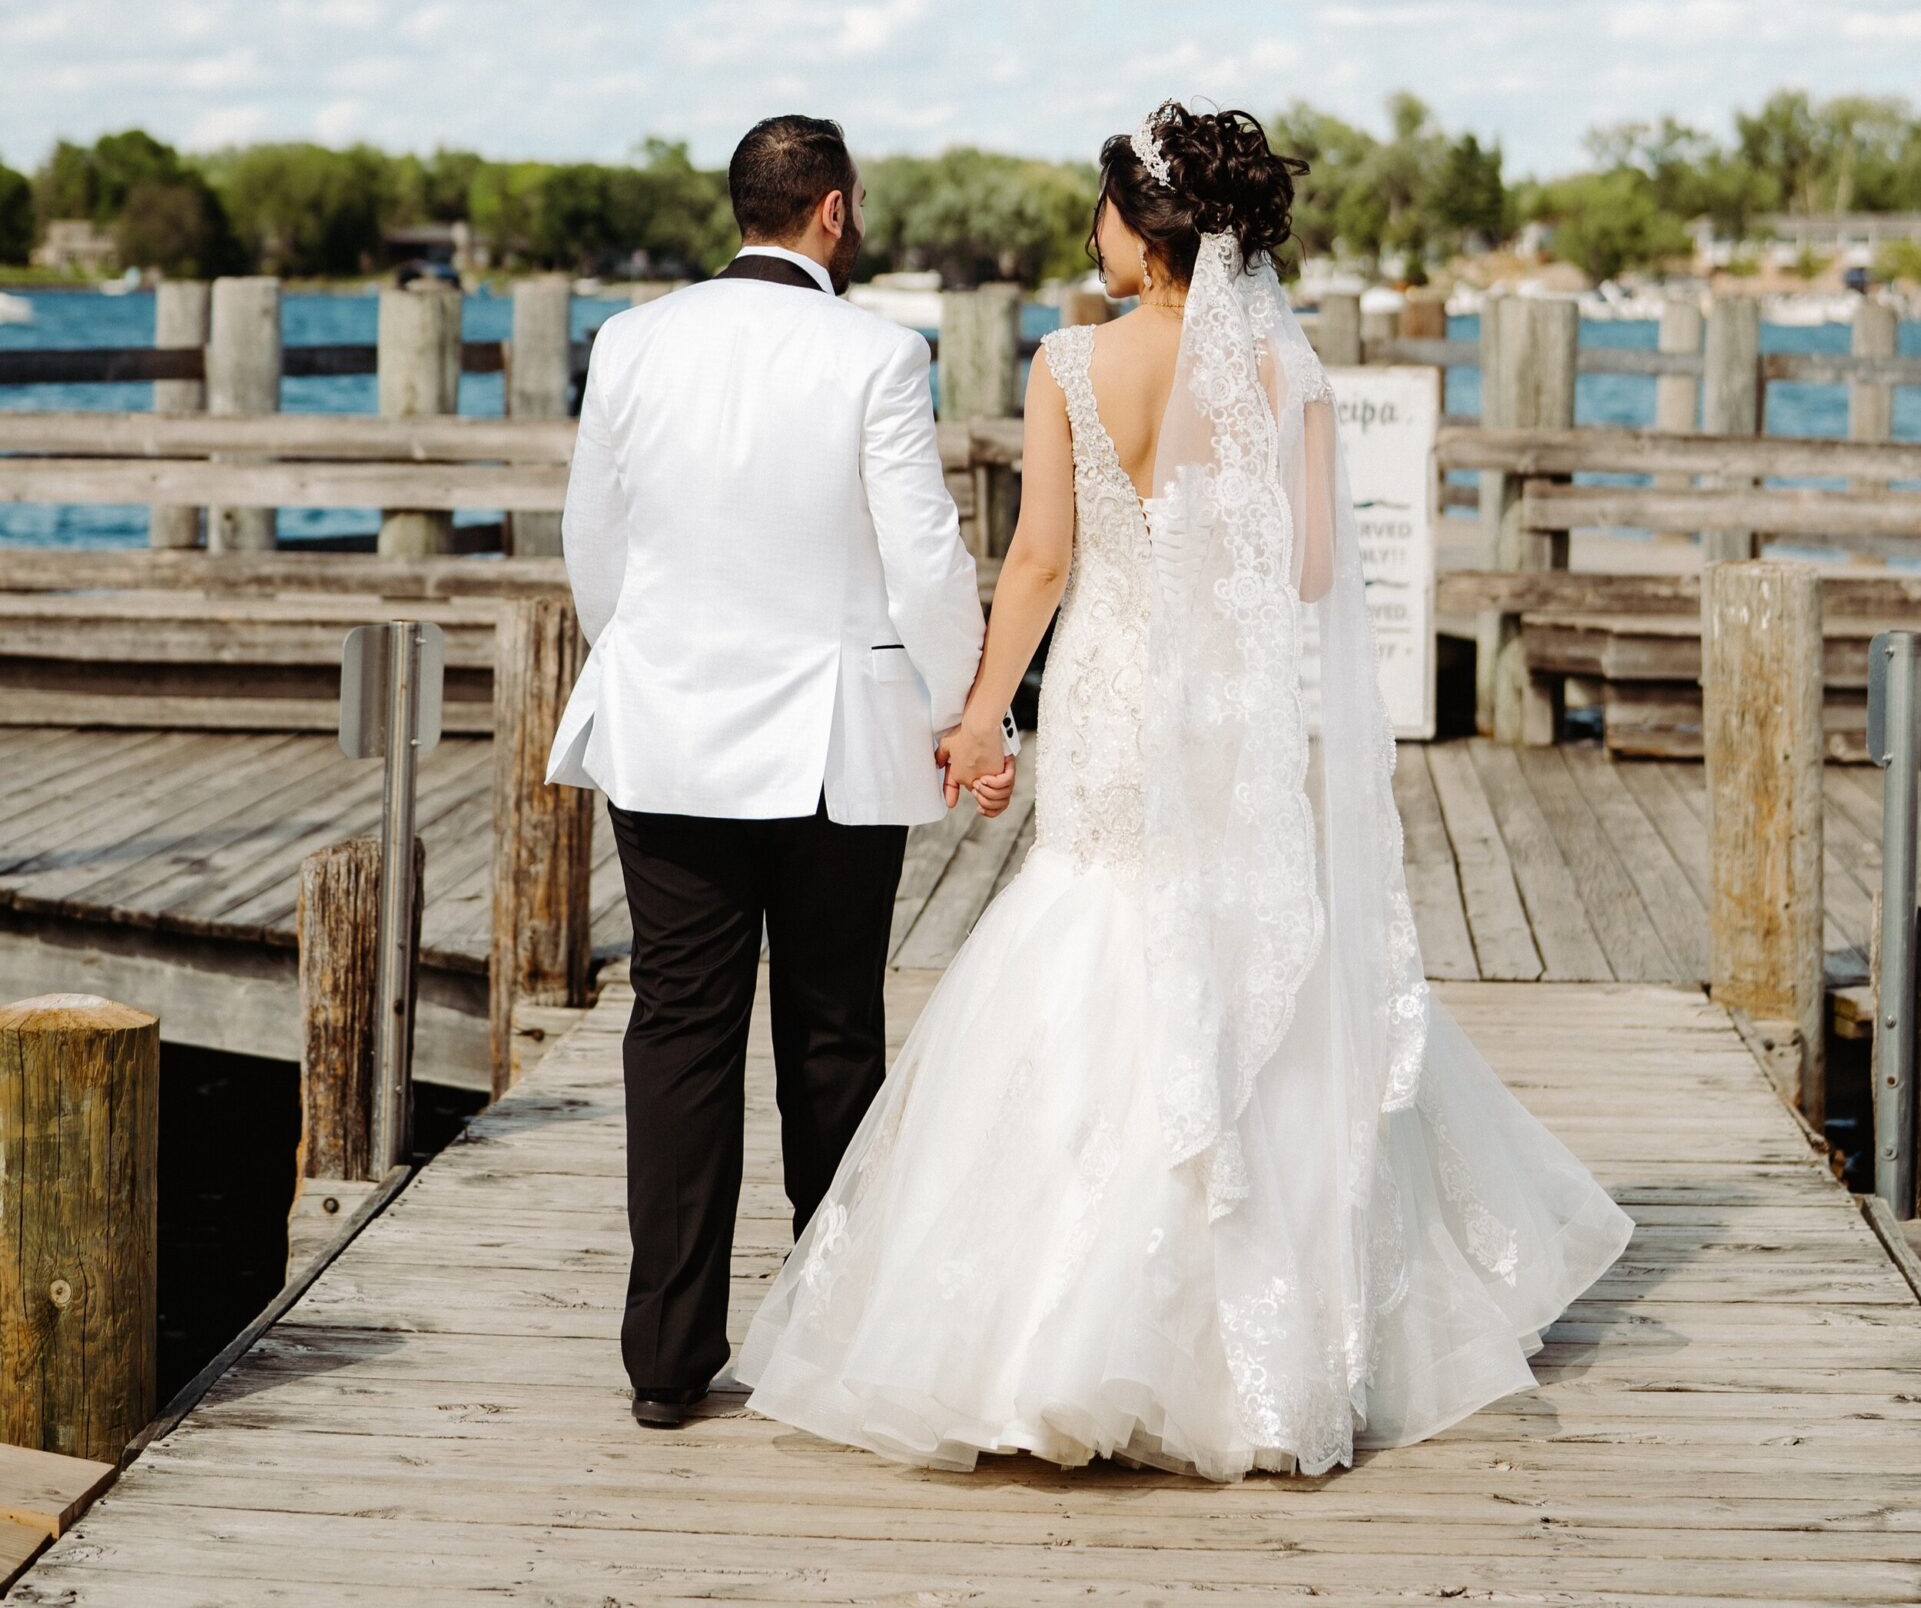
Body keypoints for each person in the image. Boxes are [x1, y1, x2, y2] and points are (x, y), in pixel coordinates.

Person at [739, 102, 1632, 1480]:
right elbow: (1318, 577)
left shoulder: (1070, 364)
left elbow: (1037, 562)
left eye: (1097, 210)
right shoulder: (1291, 379)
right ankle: (1255, 1335)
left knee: (1093, 920)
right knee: (1231, 938)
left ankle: (1041, 1338)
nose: (1085, 235)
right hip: (1226, 709)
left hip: (1107, 693)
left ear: (1141, 229)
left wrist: (980, 719)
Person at [547, 113, 1013, 1429]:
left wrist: (648, 662)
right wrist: (966, 710)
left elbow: (596, 534)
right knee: (829, 1034)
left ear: (738, 207)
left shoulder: (631, 341)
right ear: (833, 212)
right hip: (831, 742)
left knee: (678, 1035)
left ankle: (666, 1359)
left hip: (669, 732)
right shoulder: (877, 351)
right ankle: (827, 1329)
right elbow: (923, 554)